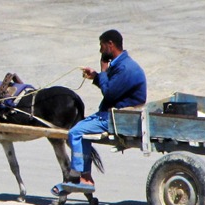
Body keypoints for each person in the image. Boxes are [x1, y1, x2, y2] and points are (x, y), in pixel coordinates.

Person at [55, 29, 147, 194]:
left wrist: (102, 72)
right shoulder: (122, 64)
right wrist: (96, 76)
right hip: (114, 114)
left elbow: (110, 93)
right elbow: (112, 88)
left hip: (114, 117)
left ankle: (78, 177)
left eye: (101, 46)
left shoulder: (125, 68)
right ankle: (86, 176)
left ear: (110, 45)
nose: (100, 50)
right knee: (82, 129)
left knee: (75, 132)